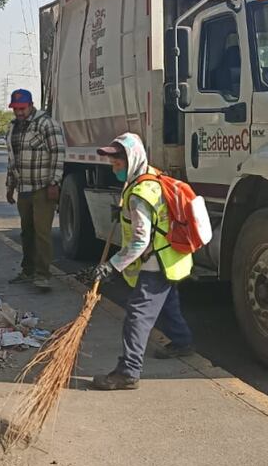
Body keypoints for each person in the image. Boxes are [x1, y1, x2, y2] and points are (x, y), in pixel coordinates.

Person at [79, 133, 194, 391]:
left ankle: (128, 371)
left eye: (117, 163)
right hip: (170, 256)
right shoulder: (149, 176)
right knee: (167, 302)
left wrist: (111, 266)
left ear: (131, 159)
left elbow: (140, 242)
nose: (114, 167)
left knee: (137, 316)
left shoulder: (140, 194)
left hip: (157, 259)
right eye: (112, 163)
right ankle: (182, 341)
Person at [4, 88, 65, 291]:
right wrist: (10, 186)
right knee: (26, 232)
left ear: (30, 106)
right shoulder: (13, 128)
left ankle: (43, 275)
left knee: (42, 233)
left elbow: (58, 154)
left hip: (42, 188)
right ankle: (28, 270)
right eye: (16, 109)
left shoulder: (46, 124)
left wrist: (54, 183)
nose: (19, 112)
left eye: (22, 108)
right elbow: (12, 160)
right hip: (24, 188)